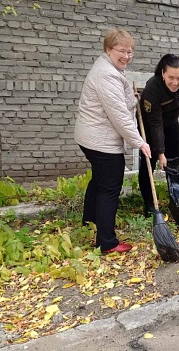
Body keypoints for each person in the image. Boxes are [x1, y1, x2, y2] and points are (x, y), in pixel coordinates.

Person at [74, 28, 151, 254]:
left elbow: (118, 101)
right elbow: (118, 116)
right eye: (121, 51)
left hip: (91, 137)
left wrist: (131, 99)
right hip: (101, 141)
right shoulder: (106, 74)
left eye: (130, 52)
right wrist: (140, 142)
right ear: (108, 49)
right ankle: (106, 242)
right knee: (110, 188)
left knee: (98, 182)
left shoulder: (109, 68)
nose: (126, 56)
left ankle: (90, 223)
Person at [138, 54, 179, 217]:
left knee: (174, 161)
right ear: (163, 74)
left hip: (171, 122)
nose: (175, 82)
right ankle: (149, 203)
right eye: (171, 77)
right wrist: (160, 153)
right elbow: (155, 123)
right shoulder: (153, 88)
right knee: (148, 164)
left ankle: (176, 197)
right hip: (150, 127)